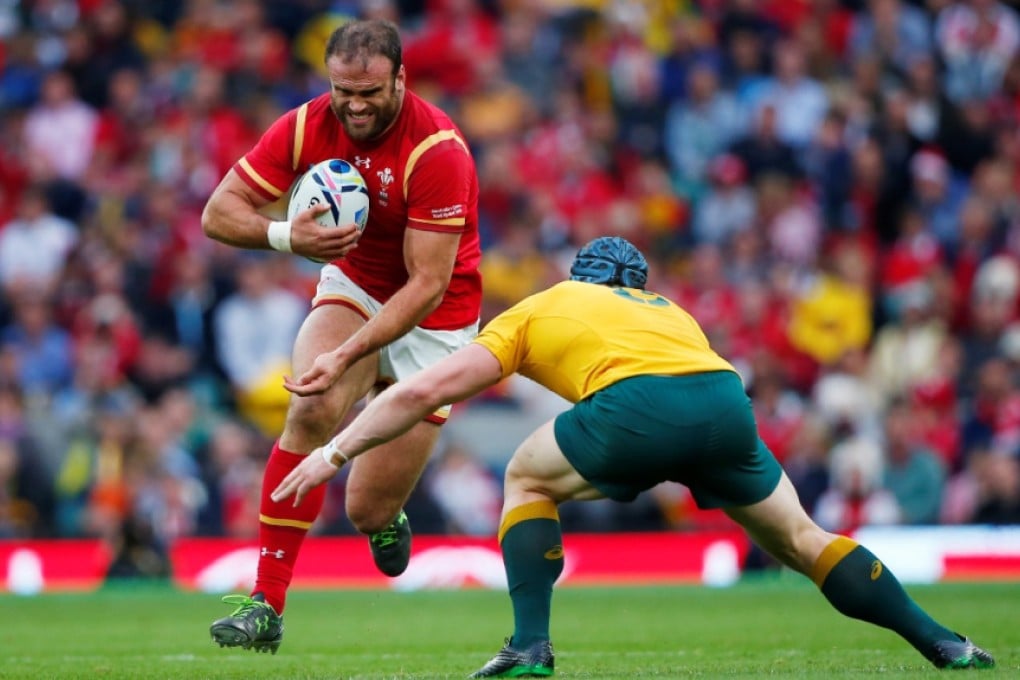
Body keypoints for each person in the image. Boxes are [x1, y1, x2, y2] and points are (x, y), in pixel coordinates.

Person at [273, 236, 995, 676]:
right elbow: (692, 387)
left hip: (637, 408)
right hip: (723, 400)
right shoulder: (670, 311)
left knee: (525, 476)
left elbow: (424, 389)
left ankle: (529, 646)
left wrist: (335, 452)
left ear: (580, 274)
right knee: (804, 540)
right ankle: (945, 643)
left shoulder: (545, 304)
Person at [200, 19, 481, 653]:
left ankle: (385, 521)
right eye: (342, 90)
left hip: (435, 321)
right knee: (311, 405)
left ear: (401, 78)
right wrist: (285, 236)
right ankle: (266, 604)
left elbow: (427, 285)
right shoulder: (305, 125)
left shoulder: (437, 150)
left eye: (370, 92)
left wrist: (352, 354)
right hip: (356, 288)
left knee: (365, 509)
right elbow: (218, 213)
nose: (354, 106)